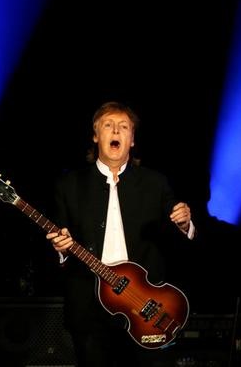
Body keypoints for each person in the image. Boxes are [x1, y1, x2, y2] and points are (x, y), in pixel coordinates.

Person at [45, 101, 195, 367]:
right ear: (95, 136)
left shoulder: (155, 183)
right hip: (89, 311)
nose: (116, 130)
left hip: (146, 308)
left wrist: (184, 226)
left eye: (124, 127)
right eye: (108, 125)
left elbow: (178, 246)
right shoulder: (69, 185)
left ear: (132, 139)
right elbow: (57, 240)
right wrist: (61, 247)